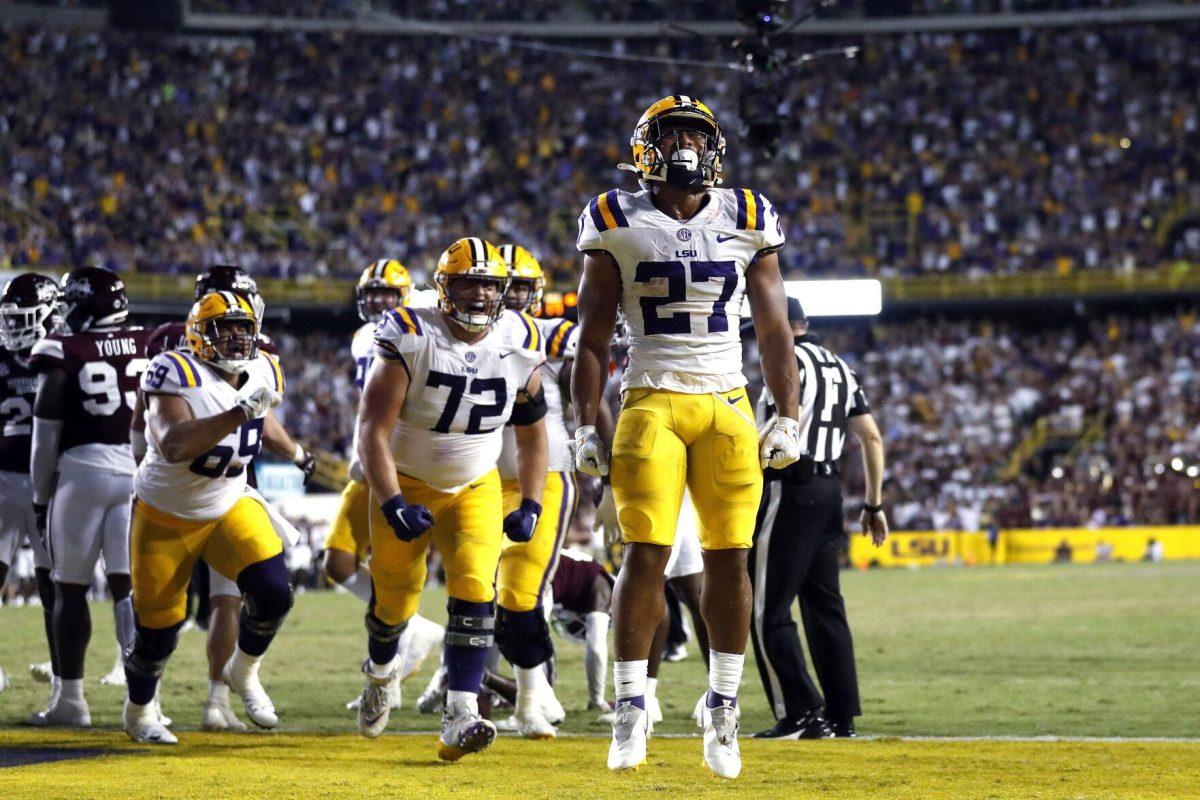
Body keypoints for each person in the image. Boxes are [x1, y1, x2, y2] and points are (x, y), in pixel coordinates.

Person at [571, 95, 802, 779]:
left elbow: (773, 329)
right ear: (646, 147)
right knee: (646, 551)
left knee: (730, 556)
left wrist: (785, 411)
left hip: (727, 402)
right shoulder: (614, 217)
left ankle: (723, 706)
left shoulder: (747, 215)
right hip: (651, 398)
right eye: (672, 136)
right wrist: (585, 421)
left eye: (697, 137)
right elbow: (589, 339)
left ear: (716, 148)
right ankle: (630, 706)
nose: (687, 148)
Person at [354, 237, 548, 761]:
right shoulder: (411, 332)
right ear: (444, 286)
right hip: (405, 479)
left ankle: (462, 711)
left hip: (475, 483)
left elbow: (532, 431)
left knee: (474, 589)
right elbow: (371, 429)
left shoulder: (521, 338)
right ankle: (378, 673)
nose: (480, 295)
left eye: (488, 284)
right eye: (468, 282)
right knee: (393, 602)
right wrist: (392, 500)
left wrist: (531, 500)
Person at [133, 265, 317, 732]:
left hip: (229, 498)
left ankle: (244, 671)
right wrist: (237, 413)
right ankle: (139, 711)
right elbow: (173, 444)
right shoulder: (173, 369)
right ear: (197, 334)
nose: (236, 338)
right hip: (167, 511)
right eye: (223, 329)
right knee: (159, 627)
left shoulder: (264, 367)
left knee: (274, 592)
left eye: (243, 328)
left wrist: (295, 451)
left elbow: (263, 420)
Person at [750, 297, 887, 740]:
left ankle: (800, 710)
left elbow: (765, 433)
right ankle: (841, 714)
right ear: (806, 321)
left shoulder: (783, 358)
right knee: (825, 607)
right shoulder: (839, 366)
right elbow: (871, 437)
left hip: (789, 487)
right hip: (830, 493)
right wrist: (873, 504)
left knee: (764, 608)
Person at [27, 267, 152, 727]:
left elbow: (44, 442)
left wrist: (41, 500)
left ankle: (72, 701)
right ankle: (145, 702)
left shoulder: (63, 352)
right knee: (128, 589)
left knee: (69, 588)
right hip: (138, 473)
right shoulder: (147, 343)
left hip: (83, 473)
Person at [327, 259, 445, 713]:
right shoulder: (362, 337)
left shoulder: (426, 318)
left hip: (417, 461)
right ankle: (412, 629)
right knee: (338, 563)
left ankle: (403, 672)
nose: (377, 300)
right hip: (374, 461)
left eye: (386, 293)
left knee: (407, 576)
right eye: (370, 293)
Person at [491, 243, 596, 738]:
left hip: (545, 474)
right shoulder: (468, 334)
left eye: (519, 288)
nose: (510, 298)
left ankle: (534, 696)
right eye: (501, 287)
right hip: (480, 480)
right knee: (482, 593)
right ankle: (485, 693)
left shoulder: (550, 334)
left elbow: (584, 376)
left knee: (520, 590)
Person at [0, 274, 62, 714]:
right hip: (6, 480)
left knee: (52, 588)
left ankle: (65, 679)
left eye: (22, 318)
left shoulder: (61, 354)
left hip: (46, 485)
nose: (12, 327)